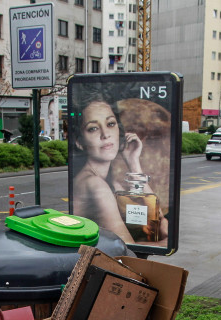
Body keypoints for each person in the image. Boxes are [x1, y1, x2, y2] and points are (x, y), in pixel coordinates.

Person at [71, 94, 168, 245]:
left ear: (119, 130)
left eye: (110, 124)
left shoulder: (110, 182)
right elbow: (126, 250)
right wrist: (166, 242)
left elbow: (155, 215)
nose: (105, 135)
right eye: (93, 128)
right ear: (79, 141)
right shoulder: (95, 185)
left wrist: (133, 162)